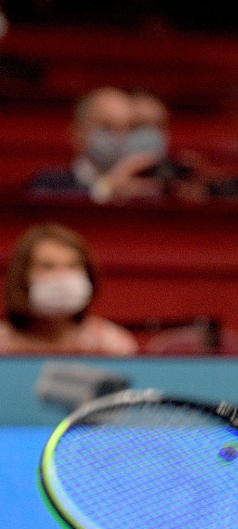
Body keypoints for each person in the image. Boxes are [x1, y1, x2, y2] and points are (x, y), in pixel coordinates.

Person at [30, 87, 198, 204]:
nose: (120, 137)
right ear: (77, 133)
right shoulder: (49, 184)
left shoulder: (153, 183)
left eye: (130, 127)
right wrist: (108, 187)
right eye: (107, 127)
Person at [0, 223, 138, 355]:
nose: (61, 277)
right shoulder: (3, 342)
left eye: (73, 266)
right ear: (22, 276)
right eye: (47, 266)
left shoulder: (112, 344)